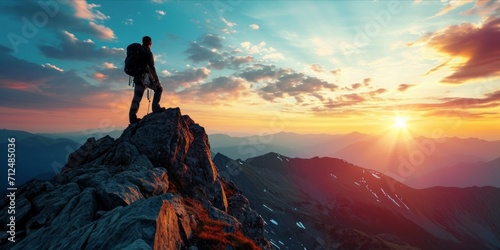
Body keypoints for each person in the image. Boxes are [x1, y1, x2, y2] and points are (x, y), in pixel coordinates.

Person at [129, 36, 165, 124]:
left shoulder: (137, 51)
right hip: (145, 77)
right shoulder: (148, 52)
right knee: (159, 89)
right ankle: (155, 107)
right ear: (150, 43)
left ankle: (132, 118)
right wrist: (156, 80)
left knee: (137, 98)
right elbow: (152, 67)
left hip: (137, 77)